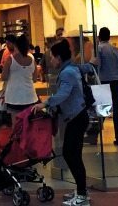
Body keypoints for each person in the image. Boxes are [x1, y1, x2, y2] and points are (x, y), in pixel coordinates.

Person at [34, 40, 90, 206]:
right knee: (72, 154)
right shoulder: (71, 69)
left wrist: (45, 103)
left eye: (52, 57)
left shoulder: (67, 73)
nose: (51, 61)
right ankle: (82, 191)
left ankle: (82, 196)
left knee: (71, 154)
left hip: (77, 117)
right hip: (76, 116)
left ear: (59, 57)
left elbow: (64, 94)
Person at [93, 27, 118, 146]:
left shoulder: (99, 49)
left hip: (104, 81)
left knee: (102, 110)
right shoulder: (116, 49)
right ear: (109, 36)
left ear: (99, 37)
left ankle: (95, 136)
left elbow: (98, 65)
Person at [0, 34, 38, 114]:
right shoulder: (32, 60)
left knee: (15, 124)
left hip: (14, 97)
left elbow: (3, 77)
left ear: (17, 46)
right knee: (29, 123)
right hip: (30, 96)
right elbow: (34, 79)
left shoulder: (10, 59)